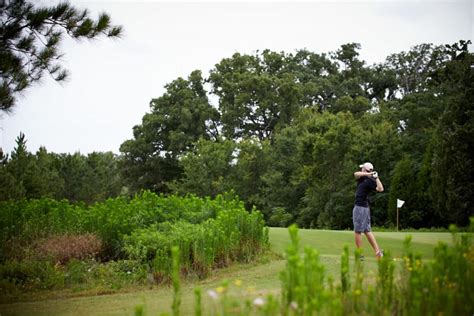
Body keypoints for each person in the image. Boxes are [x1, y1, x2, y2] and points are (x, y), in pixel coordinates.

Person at [353, 162, 384, 260]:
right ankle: (378, 252)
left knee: (358, 231)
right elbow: (355, 174)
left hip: (360, 207)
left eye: (362, 168)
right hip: (364, 208)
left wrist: (376, 178)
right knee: (367, 230)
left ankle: (360, 254)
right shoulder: (362, 177)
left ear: (365, 169)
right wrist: (369, 174)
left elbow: (380, 189)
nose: (361, 170)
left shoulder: (370, 180)